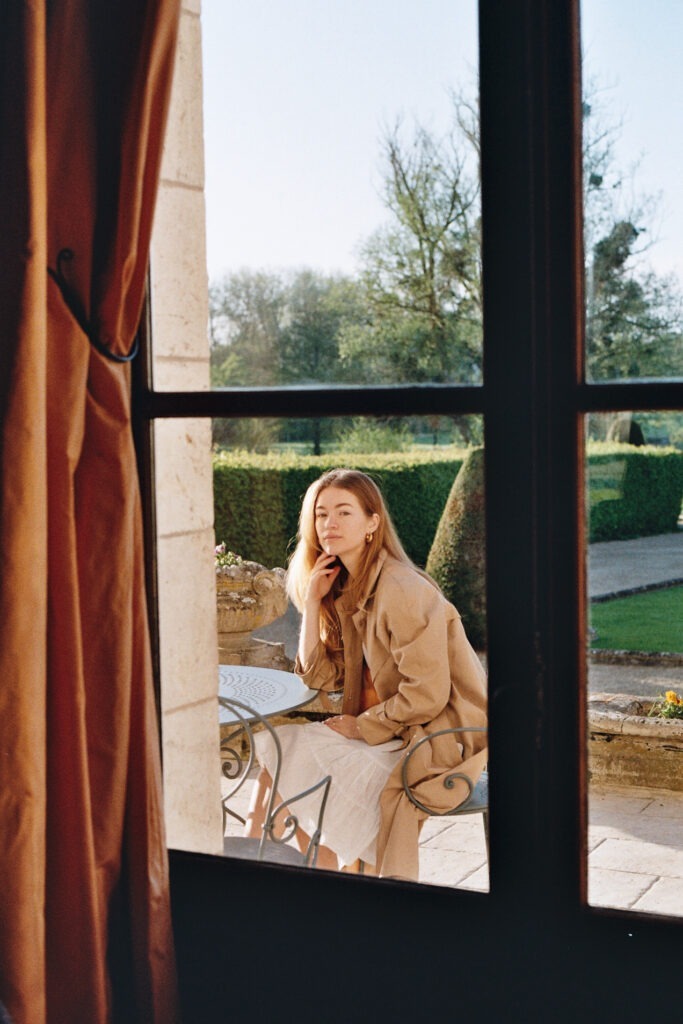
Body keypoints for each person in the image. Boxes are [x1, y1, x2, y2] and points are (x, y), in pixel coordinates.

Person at [245, 468, 487, 881]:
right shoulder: (349, 585)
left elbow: (427, 696)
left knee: (317, 775)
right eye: (321, 515)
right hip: (390, 727)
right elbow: (319, 677)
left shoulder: (402, 589)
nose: (330, 524)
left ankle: (314, 878)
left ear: (373, 523)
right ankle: (276, 868)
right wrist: (312, 604)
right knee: (277, 755)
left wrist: (361, 726)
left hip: (436, 735)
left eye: (344, 512)